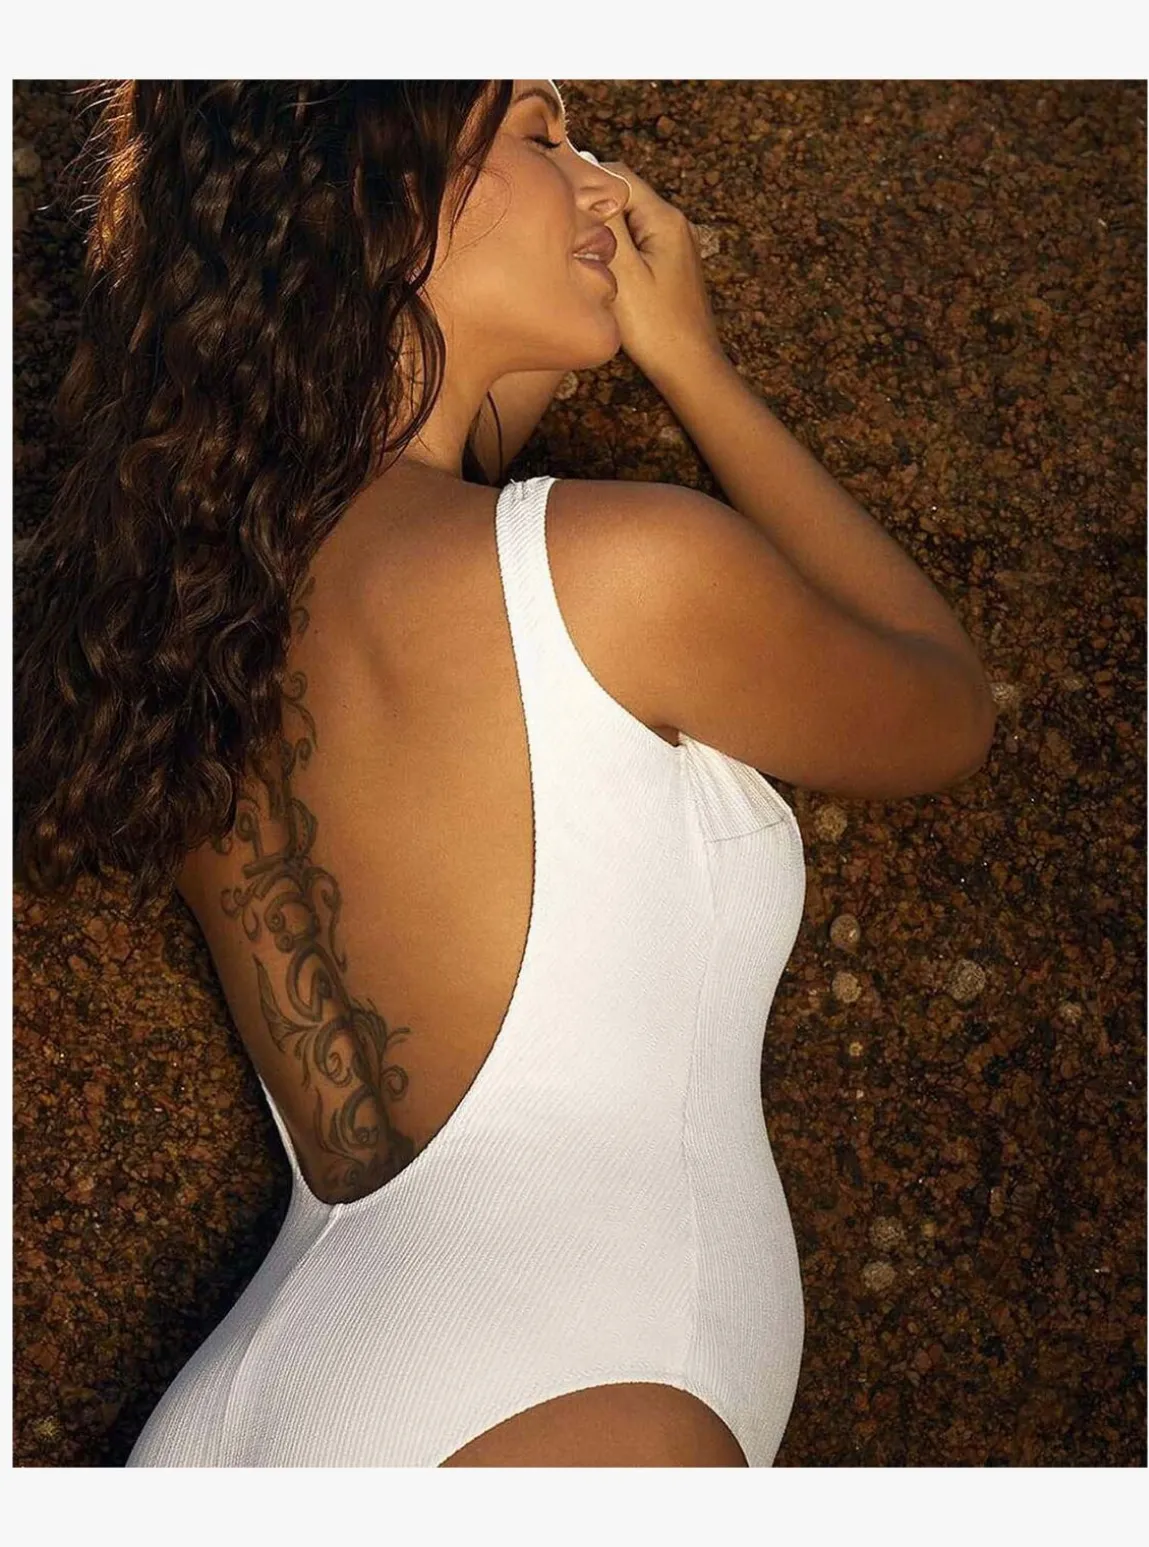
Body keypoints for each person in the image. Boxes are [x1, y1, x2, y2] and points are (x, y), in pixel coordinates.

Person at [13, 79, 995, 1467]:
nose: (603, 185)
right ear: (382, 204)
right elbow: (947, 708)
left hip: (254, 1401)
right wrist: (698, 369)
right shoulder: (622, 570)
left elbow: (416, 413)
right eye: (543, 136)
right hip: (560, 1363)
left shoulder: (201, 637)